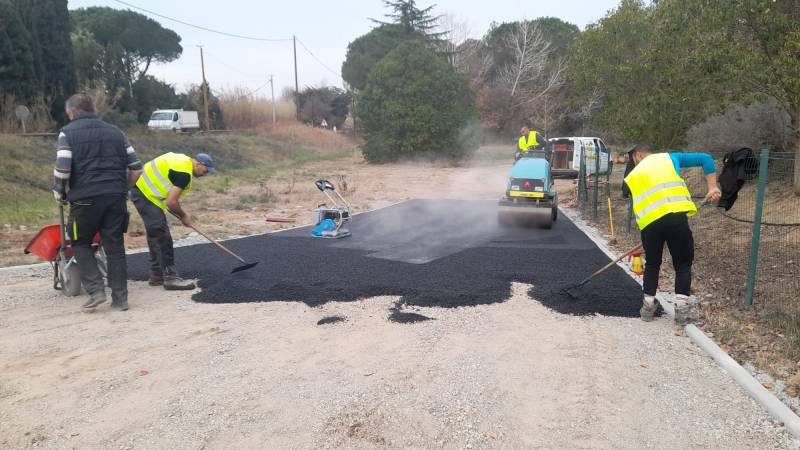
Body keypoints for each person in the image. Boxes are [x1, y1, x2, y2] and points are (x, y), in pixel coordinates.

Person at [53, 93, 143, 311]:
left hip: (84, 200)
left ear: (71, 111)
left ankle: (96, 290)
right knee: (114, 246)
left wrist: (59, 193)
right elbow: (137, 169)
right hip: (115, 198)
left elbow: (63, 168)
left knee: (80, 243)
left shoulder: (67, 133)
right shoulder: (117, 132)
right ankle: (121, 299)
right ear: (93, 110)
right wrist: (123, 188)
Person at [623, 144, 721, 325]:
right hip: (676, 218)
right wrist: (712, 187)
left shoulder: (632, 175)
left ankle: (647, 307)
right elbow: (706, 159)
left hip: (650, 224)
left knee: (652, 263)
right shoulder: (669, 158)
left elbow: (629, 195)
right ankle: (682, 312)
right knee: (683, 264)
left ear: (637, 156)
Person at [131, 152, 216, 290]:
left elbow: (168, 198)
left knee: (155, 234)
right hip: (145, 194)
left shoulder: (181, 161)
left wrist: (179, 213)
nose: (205, 174)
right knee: (163, 237)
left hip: (142, 192)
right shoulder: (184, 173)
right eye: (205, 171)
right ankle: (171, 278)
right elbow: (171, 202)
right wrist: (183, 216)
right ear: (199, 164)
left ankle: (157, 275)